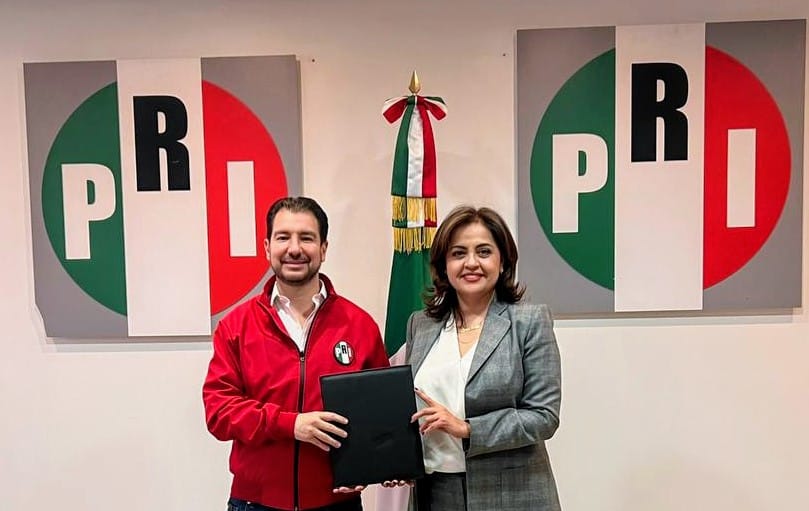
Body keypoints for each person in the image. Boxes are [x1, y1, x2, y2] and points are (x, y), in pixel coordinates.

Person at [203, 196, 389, 511]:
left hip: (337, 503)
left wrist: (374, 466)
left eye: (306, 238)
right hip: (255, 503)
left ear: (323, 249)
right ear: (267, 247)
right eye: (283, 237)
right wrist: (290, 424)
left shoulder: (359, 325)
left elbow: (380, 412)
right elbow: (219, 412)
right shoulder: (236, 326)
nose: (294, 248)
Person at [406, 205, 562, 511]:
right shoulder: (420, 324)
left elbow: (544, 416)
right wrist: (397, 460)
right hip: (433, 492)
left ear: (503, 262)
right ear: (444, 265)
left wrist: (468, 428)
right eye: (458, 253)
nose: (471, 263)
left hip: (510, 494)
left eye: (484, 252)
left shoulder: (529, 321)